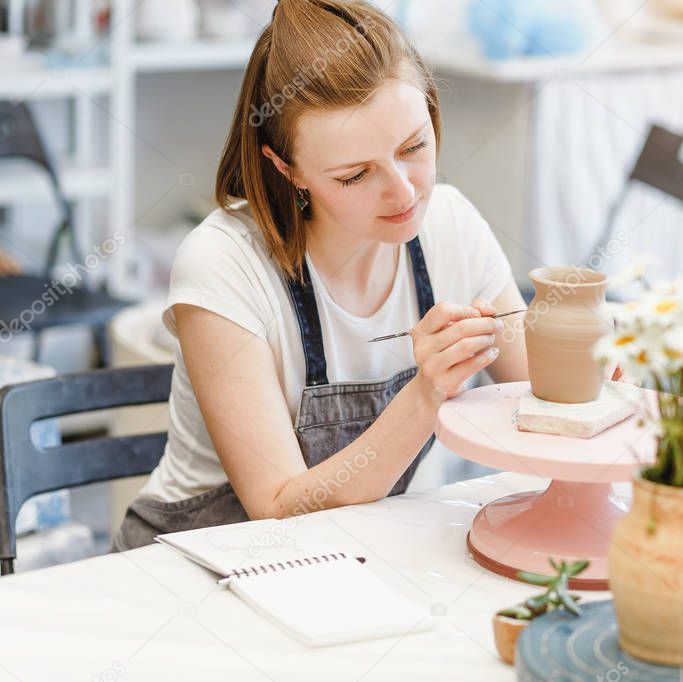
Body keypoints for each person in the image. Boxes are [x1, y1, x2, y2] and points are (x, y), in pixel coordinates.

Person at [112, 0, 530, 550]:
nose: (405, 192)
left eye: (414, 147)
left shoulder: (450, 224)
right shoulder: (224, 263)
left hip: (351, 557)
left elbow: (541, 398)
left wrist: (608, 361)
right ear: (288, 169)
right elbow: (279, 506)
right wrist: (426, 393)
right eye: (355, 175)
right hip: (201, 563)